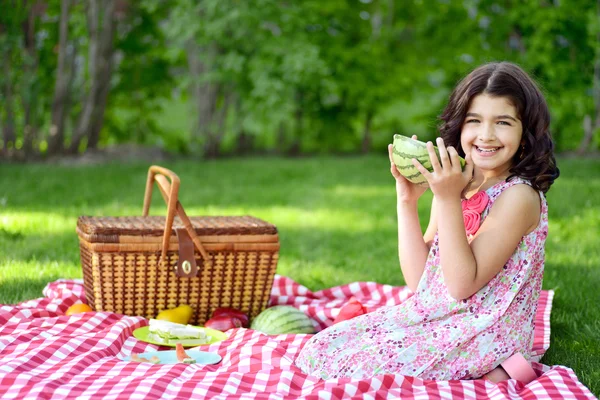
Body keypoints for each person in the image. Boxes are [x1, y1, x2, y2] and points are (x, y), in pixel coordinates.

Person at [294, 61, 559, 382]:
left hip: (484, 327)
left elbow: (462, 285)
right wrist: (407, 201)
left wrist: (447, 198)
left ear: (526, 132)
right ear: (460, 125)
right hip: (438, 314)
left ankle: (505, 367)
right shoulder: (457, 179)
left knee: (367, 372)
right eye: (474, 120)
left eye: (503, 122)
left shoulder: (518, 196)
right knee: (322, 348)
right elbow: (420, 280)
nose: (486, 135)